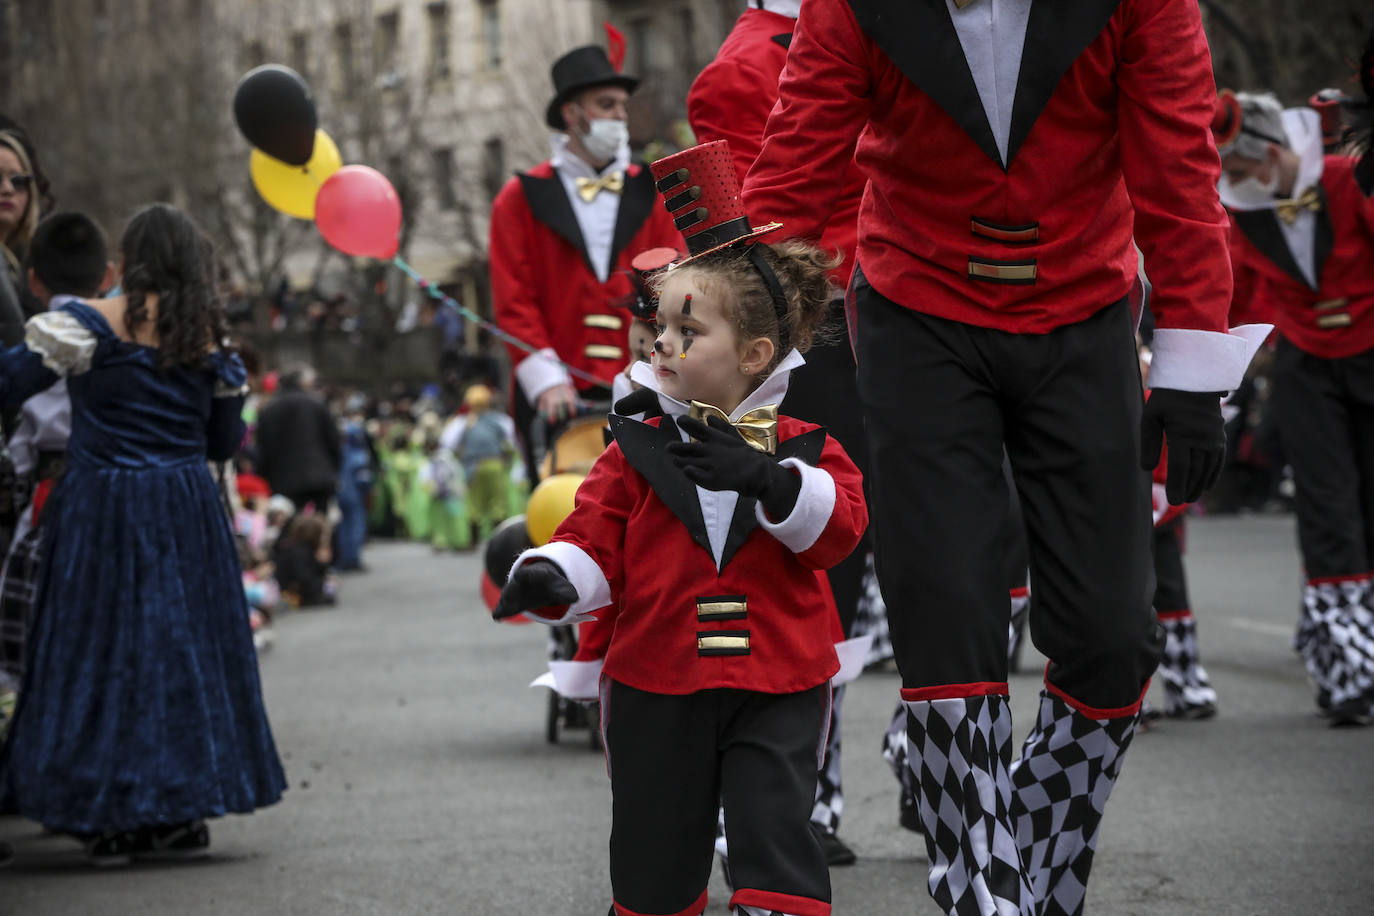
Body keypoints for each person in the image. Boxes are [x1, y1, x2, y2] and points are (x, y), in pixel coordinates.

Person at [739, 2, 1271, 912]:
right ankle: (980, 886)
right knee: (944, 604)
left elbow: (1180, 171)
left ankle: (1014, 841)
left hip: (1083, 303)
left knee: (1114, 634)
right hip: (918, 303)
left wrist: (1191, 365)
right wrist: (715, 337)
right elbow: (791, 178)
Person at [493, 142, 867, 916]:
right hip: (656, 682)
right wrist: (555, 572)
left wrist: (771, 480)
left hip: (779, 681)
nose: (660, 344)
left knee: (777, 855)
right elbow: (593, 533)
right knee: (654, 871)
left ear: (755, 354)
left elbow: (840, 534)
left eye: (685, 332)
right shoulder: (633, 446)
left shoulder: (805, 447)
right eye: (658, 327)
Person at [0, 203, 285, 865]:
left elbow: (13, 379)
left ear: (127, 263)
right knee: (182, 654)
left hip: (104, 504)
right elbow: (222, 441)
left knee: (102, 653)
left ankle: (109, 814)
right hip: (184, 509)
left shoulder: (89, 323)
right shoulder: (208, 341)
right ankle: (179, 813)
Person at [687, 0, 874, 866]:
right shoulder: (738, 68)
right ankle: (792, 797)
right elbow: (749, 241)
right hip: (822, 329)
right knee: (820, 564)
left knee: (931, 554)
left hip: (914, 310)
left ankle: (931, 759)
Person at [1215, 89, 1374, 725]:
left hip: (1370, 351)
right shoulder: (1242, 211)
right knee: (1326, 508)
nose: (1236, 185)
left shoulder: (1346, 177)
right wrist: (1202, 371)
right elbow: (1235, 295)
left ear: (1275, 152)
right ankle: (1347, 674)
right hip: (1305, 365)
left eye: (1240, 171)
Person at [489, 41, 683, 487]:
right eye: (606, 104)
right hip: (556, 393)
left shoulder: (653, 190)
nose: (620, 115)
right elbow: (513, 298)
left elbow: (672, 282)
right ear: (573, 114)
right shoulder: (517, 199)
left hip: (641, 381)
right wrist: (545, 378)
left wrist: (656, 369)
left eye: (622, 105)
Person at [0, 212, 114, 705]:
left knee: (39, 637)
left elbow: (22, 445)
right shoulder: (126, 335)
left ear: (33, 281)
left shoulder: (39, 340)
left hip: (51, 497)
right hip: (118, 496)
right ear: (108, 276)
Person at [255, 362, 341, 515]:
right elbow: (333, 441)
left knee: (290, 524)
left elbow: (263, 447)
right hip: (320, 476)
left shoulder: (270, 409)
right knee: (320, 523)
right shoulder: (317, 404)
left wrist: (265, 474)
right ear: (303, 382)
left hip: (283, 478)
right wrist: (334, 468)